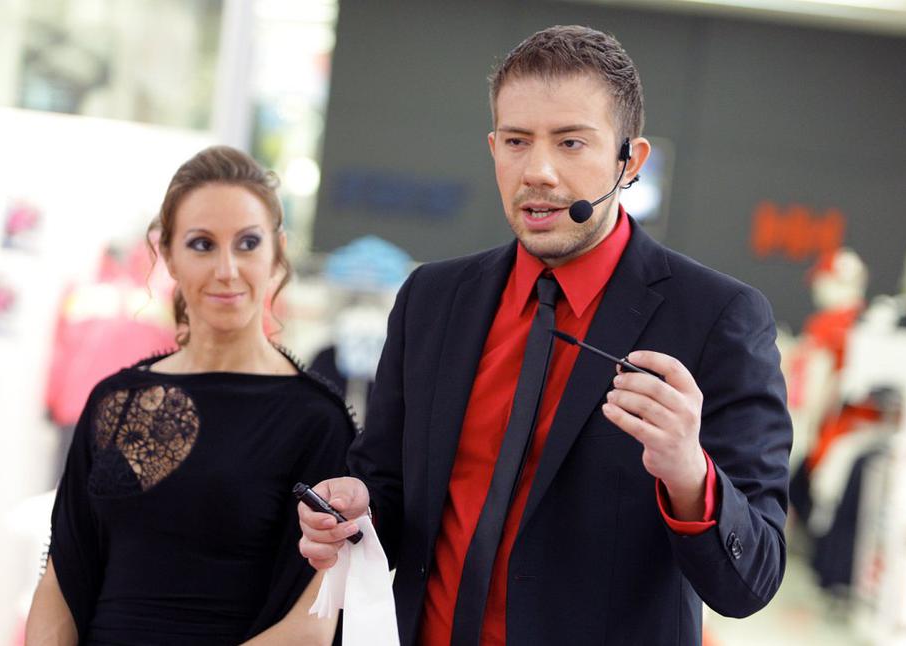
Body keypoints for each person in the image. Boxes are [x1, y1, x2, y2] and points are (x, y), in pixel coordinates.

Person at [298, 25, 792, 646]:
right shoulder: (432, 299)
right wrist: (353, 512)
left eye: (571, 142)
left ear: (630, 161)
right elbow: (389, 492)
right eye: (516, 141)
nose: (538, 171)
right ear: (493, 149)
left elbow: (753, 582)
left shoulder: (717, 317)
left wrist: (690, 475)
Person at [27, 146, 356, 645]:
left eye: (247, 243)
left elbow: (314, 623)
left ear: (277, 252)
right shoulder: (115, 402)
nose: (227, 269)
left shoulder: (317, 419)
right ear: (168, 256)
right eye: (202, 244)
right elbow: (61, 579)